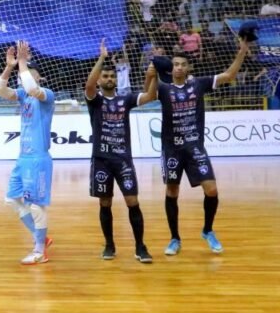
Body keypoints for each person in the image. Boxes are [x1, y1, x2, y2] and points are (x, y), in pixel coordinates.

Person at [159, 38, 249, 256]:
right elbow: (146, 94)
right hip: (172, 149)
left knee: (212, 190)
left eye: (183, 64)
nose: (179, 67)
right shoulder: (163, 89)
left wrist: (242, 52)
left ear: (188, 68)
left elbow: (229, 76)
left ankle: (208, 230)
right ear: (171, 68)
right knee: (172, 191)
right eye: (175, 64)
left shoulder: (198, 84)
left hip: (195, 148)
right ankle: (174, 238)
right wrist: (151, 74)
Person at [84, 39, 158, 263]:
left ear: (116, 80)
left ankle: (140, 247)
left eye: (112, 76)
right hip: (101, 160)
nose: (109, 79)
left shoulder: (125, 99)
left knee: (132, 201)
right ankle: (109, 244)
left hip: (123, 160)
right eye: (105, 76)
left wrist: (153, 76)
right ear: (100, 80)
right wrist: (102, 58)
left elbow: (150, 96)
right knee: (104, 203)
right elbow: (89, 86)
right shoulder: (95, 101)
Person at [0, 41, 54, 265]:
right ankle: (42, 238)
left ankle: (39, 251)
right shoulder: (22, 95)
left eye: (28, 71)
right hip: (23, 158)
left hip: (39, 159)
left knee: (36, 205)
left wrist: (22, 62)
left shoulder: (46, 95)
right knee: (11, 199)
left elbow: (31, 88)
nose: (23, 74)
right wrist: (10, 67)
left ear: (40, 77)